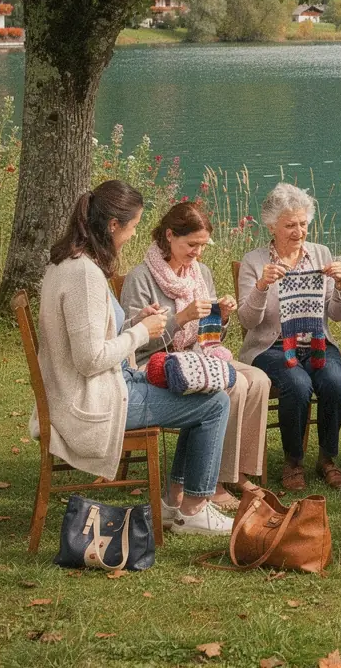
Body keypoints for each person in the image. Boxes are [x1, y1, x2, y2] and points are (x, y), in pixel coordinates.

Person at [34, 181, 234, 536]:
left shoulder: (67, 264)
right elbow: (90, 359)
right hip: (91, 403)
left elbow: (94, 338)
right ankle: (194, 509)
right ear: (113, 225)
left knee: (200, 391)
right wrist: (142, 333)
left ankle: (177, 505)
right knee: (214, 402)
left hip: (95, 389)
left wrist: (135, 322)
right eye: (134, 225)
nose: (134, 234)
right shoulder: (84, 276)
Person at [121, 200, 271, 511]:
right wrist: (182, 317)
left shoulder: (199, 273)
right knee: (234, 385)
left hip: (198, 355)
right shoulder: (141, 278)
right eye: (191, 244)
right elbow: (135, 345)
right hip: (158, 361)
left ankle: (236, 473)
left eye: (202, 246)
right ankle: (213, 481)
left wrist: (223, 317)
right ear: (169, 235)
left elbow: (211, 337)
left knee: (258, 379)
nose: (197, 253)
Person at [237, 183, 341, 492]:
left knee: (334, 382)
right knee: (297, 384)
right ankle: (293, 462)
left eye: (302, 223)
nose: (298, 231)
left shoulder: (321, 255)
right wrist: (262, 286)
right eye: (290, 225)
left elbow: (338, 315)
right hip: (270, 346)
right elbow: (247, 320)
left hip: (316, 342)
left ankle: (327, 458)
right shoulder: (254, 261)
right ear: (272, 225)